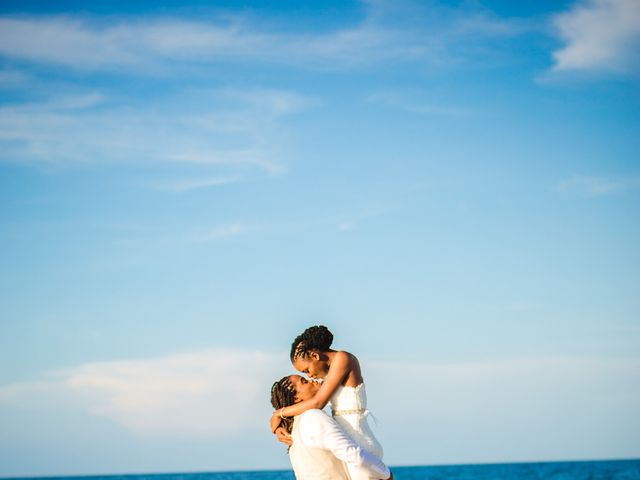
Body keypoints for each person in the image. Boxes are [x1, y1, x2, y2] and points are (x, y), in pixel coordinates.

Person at [270, 326, 385, 480]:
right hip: (351, 446)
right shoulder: (330, 377)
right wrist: (278, 427)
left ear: (314, 355)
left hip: (360, 444)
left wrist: (280, 413)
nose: (310, 375)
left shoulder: (343, 359)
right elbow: (305, 400)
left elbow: (317, 402)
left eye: (306, 370)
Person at [271, 374, 392, 480]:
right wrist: (386, 473)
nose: (311, 380)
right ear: (296, 398)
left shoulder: (296, 427)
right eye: (304, 381)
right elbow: (353, 455)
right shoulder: (312, 417)